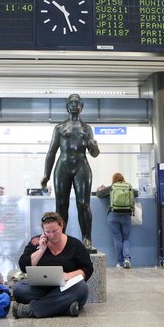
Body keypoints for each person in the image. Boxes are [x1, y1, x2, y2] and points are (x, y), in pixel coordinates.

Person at [41, 94, 100, 250]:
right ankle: (59, 238)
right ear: (67, 107)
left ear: (81, 107)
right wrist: (46, 174)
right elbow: (51, 152)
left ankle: (87, 238)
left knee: (83, 204)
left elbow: (94, 153)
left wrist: (94, 145)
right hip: (63, 166)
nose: (74, 105)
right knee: (61, 205)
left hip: (82, 166)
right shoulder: (60, 128)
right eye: (71, 103)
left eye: (77, 103)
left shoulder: (87, 129)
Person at [12, 212, 93, 318]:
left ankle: (30, 310)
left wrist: (68, 276)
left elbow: (88, 268)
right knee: (19, 289)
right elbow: (23, 265)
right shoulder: (36, 242)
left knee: (81, 288)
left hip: (65, 289)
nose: (52, 235)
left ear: (62, 226)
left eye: (55, 231)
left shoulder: (75, 244)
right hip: (42, 288)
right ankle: (64, 308)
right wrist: (41, 250)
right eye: (47, 232)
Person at [96, 173, 136, 269]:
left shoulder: (111, 187)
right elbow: (136, 193)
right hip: (126, 215)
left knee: (117, 238)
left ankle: (120, 262)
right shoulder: (128, 186)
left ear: (113, 179)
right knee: (126, 238)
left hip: (113, 216)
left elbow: (99, 194)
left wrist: (100, 189)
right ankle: (127, 259)